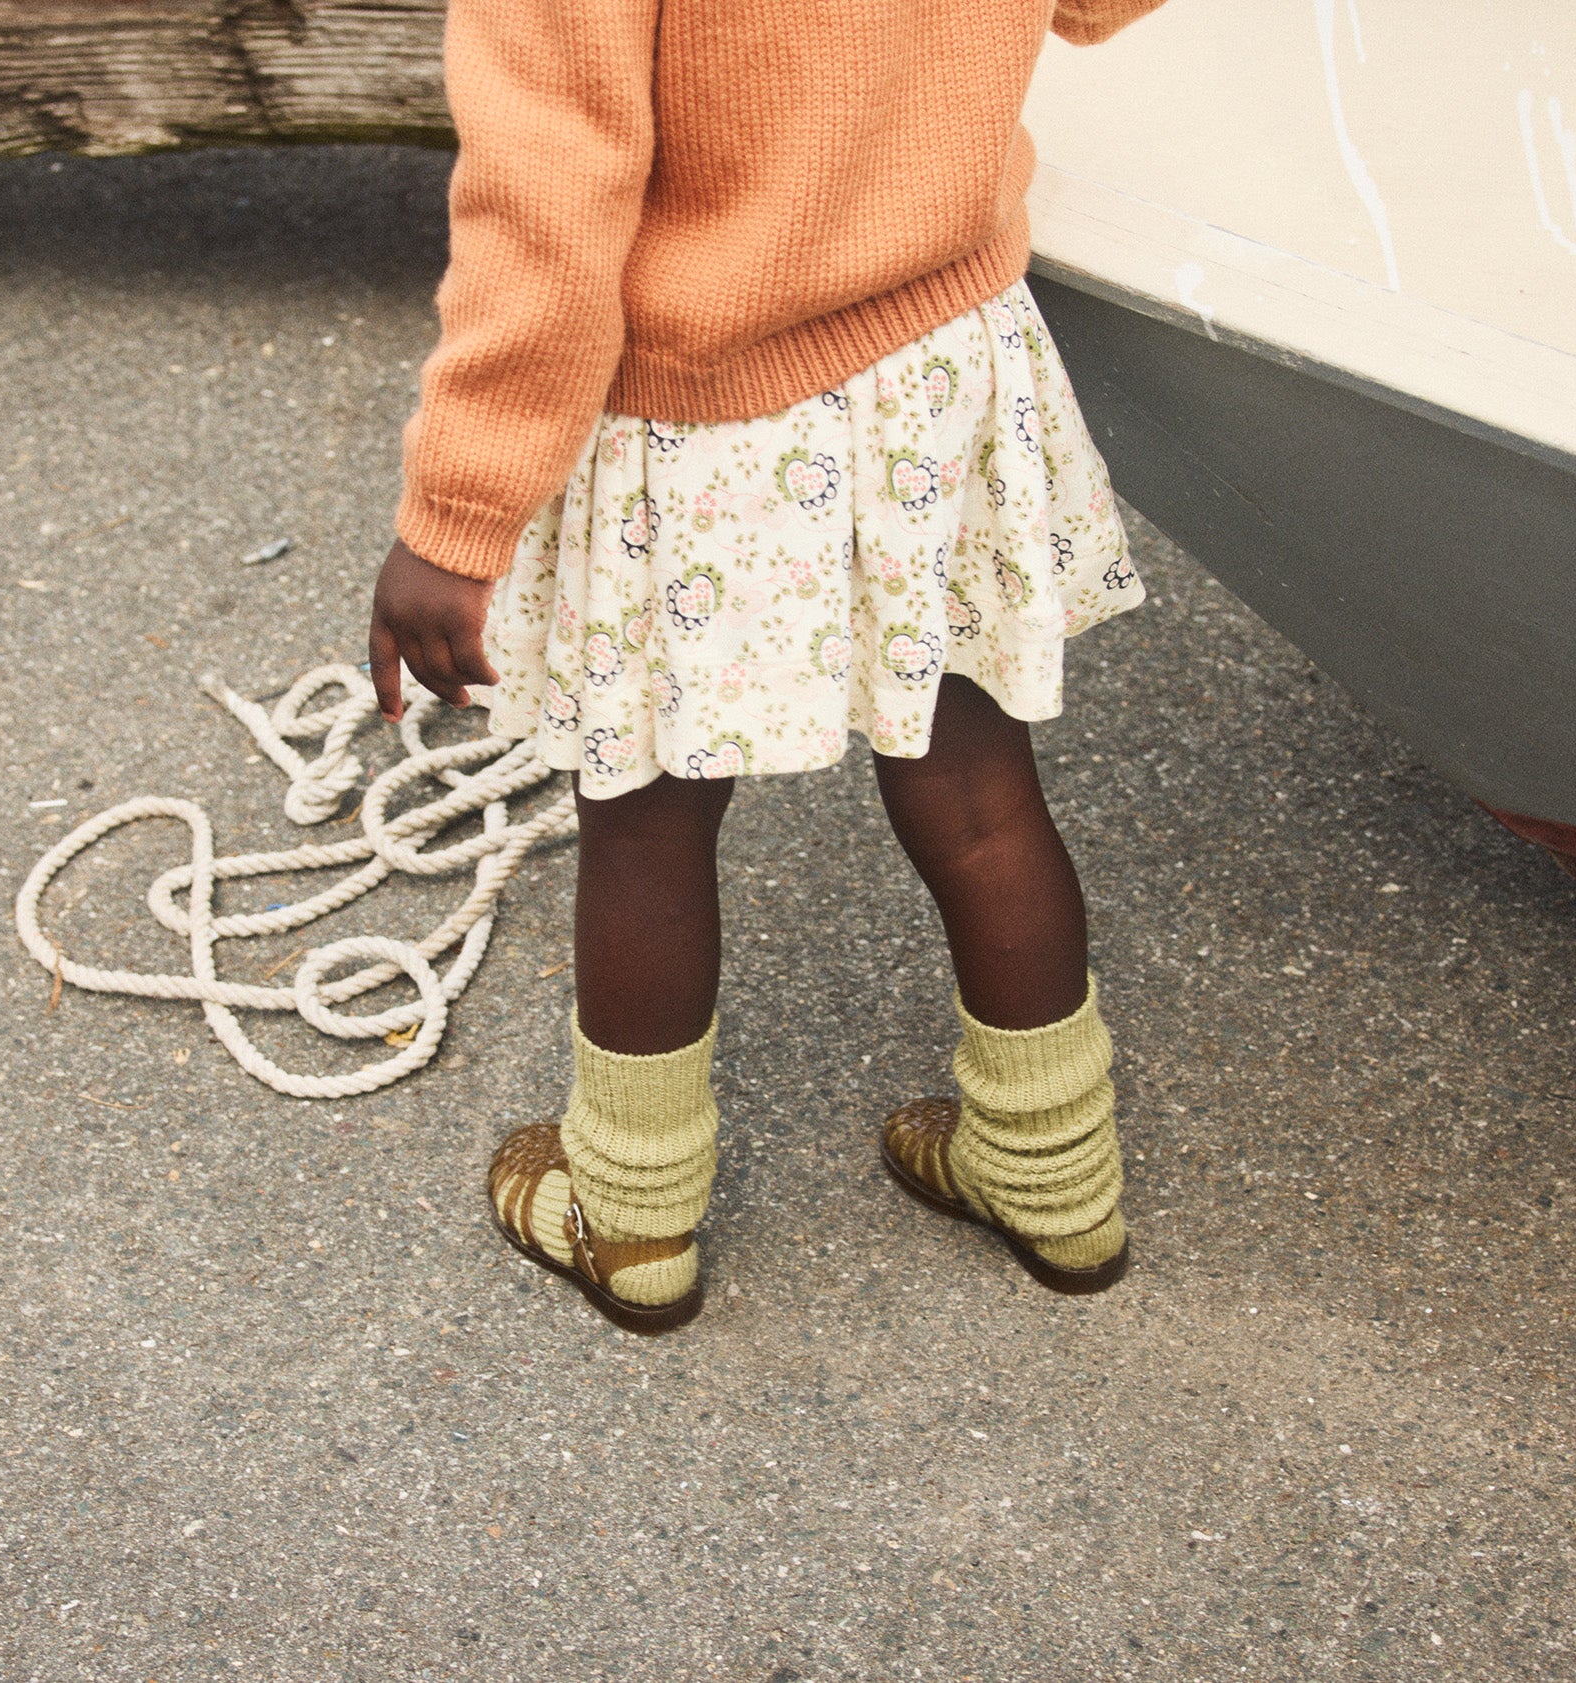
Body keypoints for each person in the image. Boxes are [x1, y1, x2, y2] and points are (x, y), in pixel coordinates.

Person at [370, 0, 1169, 1333]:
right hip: (941, 355)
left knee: (647, 820)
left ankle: (632, 1217)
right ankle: (1057, 1184)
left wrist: (458, 514)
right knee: (979, 794)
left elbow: (546, 194)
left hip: (701, 409)